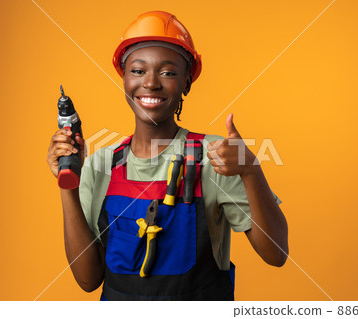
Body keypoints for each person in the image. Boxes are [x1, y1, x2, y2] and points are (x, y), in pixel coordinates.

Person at [47, 11, 288, 301]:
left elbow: (277, 254)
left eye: (168, 72)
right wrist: (68, 183)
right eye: (137, 70)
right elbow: (87, 279)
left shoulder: (216, 158)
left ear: (187, 82)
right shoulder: (100, 165)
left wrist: (251, 170)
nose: (150, 83)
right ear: (123, 79)